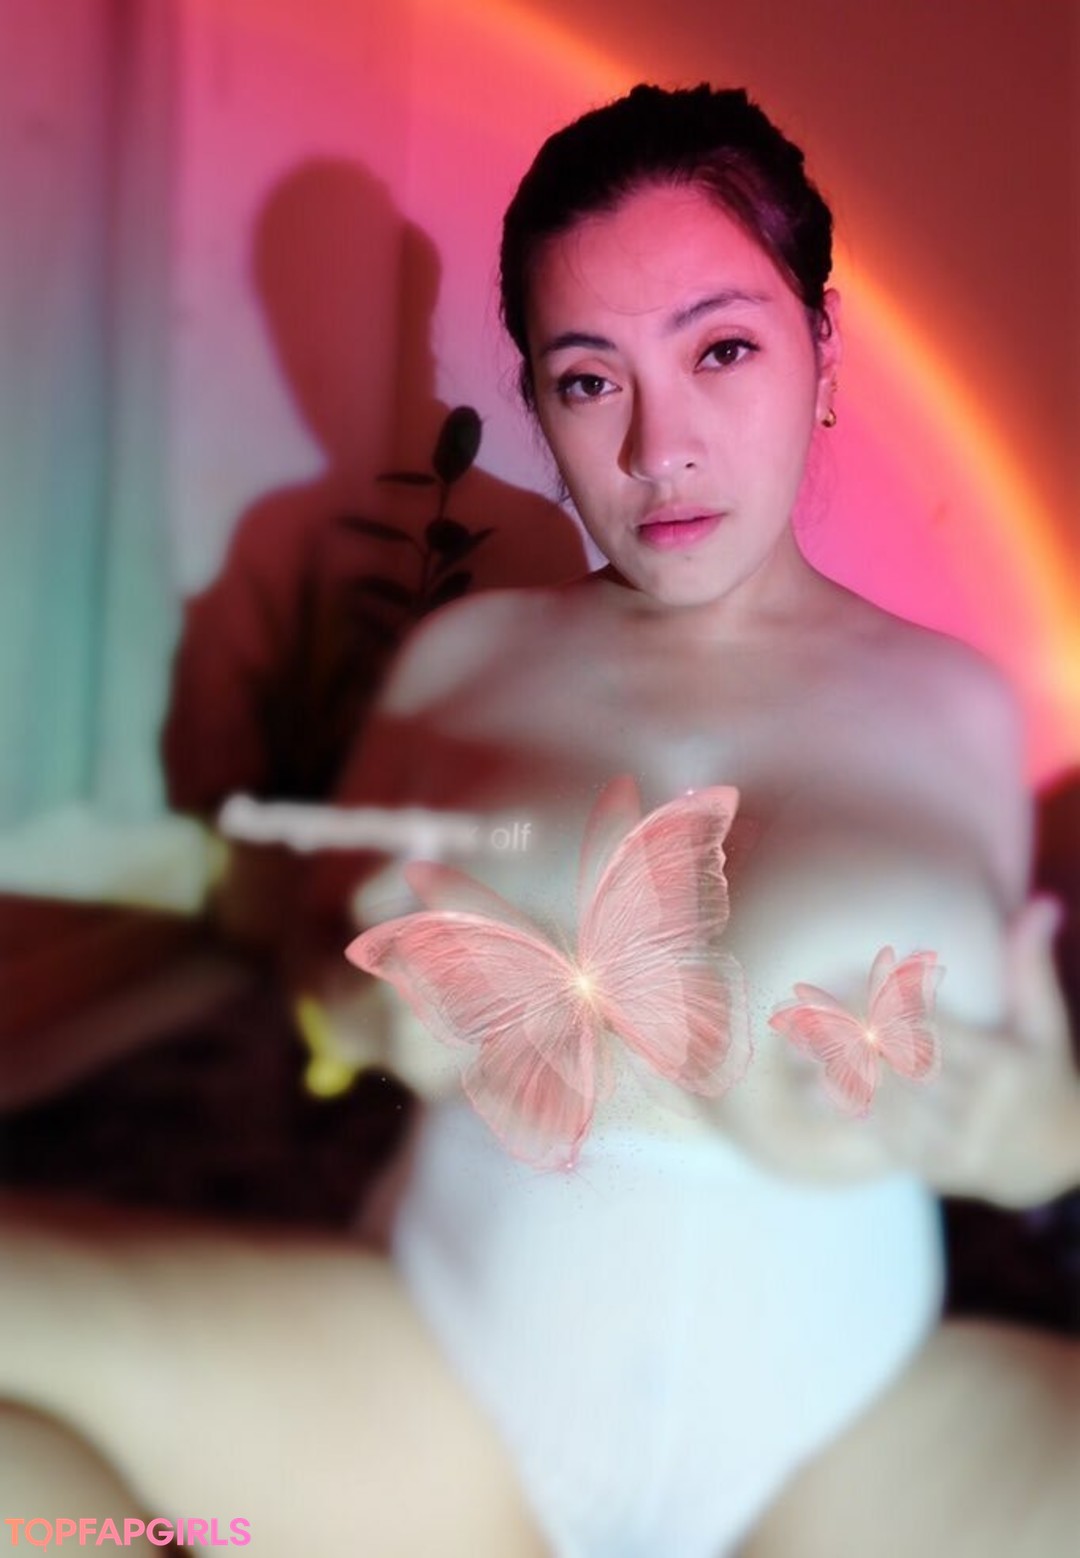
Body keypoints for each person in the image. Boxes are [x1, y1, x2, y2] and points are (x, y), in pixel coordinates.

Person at [3, 84, 1079, 1558]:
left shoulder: (957, 706)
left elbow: (1008, 1058)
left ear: (822, 348)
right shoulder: (462, 662)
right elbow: (318, 962)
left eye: (720, 349)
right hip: (444, 1402)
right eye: (587, 380)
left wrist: (1042, 1135)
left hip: (852, 1447)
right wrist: (360, 1014)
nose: (657, 446)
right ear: (537, 403)